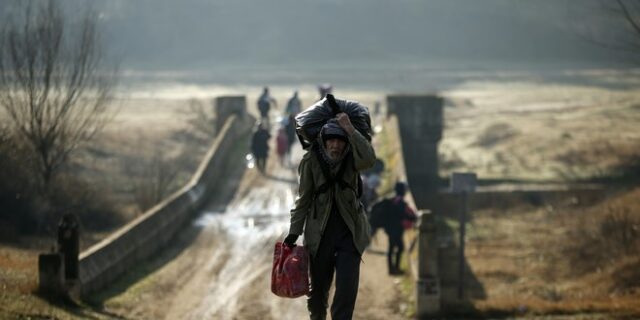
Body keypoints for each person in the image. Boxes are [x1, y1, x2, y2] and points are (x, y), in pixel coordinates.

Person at [284, 113, 376, 320]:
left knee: (346, 291)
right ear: (324, 142)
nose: (335, 145)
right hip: (319, 236)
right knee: (317, 295)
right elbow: (303, 199)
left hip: (349, 235)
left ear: (346, 143)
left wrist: (350, 130)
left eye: (340, 141)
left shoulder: (353, 159)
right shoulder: (310, 161)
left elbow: (370, 159)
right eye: (331, 140)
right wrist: (293, 233)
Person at [383, 182, 417, 275]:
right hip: (397, 229)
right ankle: (396, 269)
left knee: (391, 248)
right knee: (400, 248)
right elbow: (404, 215)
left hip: (390, 228)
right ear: (402, 191)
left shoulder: (392, 200)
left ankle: (391, 269)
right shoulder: (400, 202)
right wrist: (414, 218)